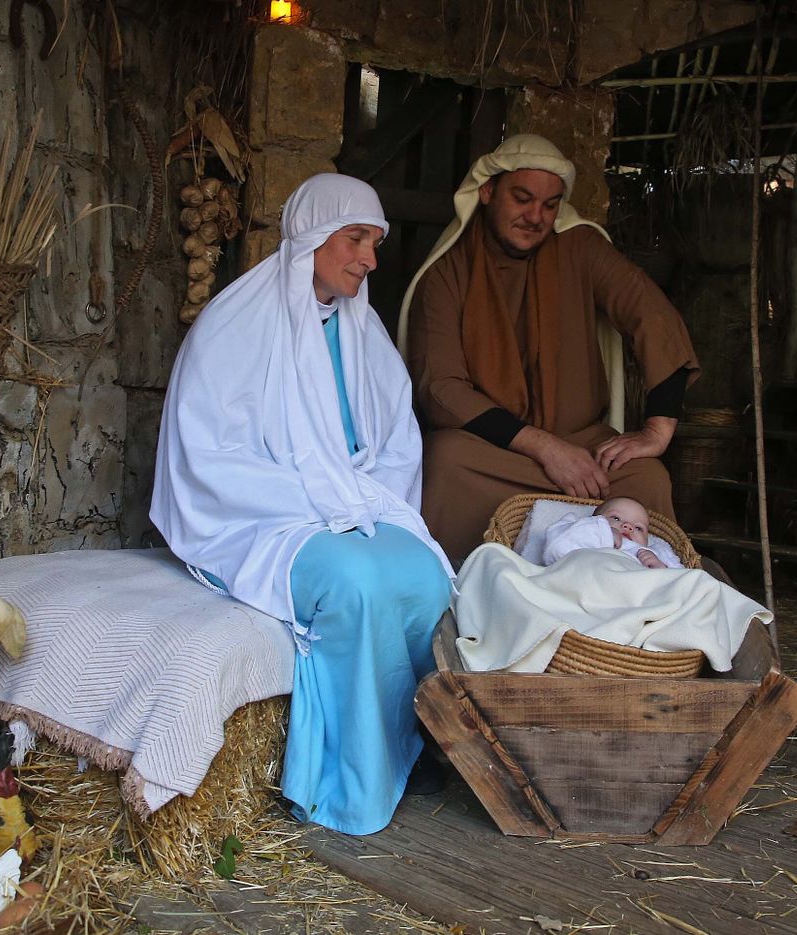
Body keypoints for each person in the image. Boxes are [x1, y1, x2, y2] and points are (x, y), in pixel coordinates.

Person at [151, 173, 454, 837]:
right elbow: (211, 453)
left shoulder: (364, 329)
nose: (370, 257)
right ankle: (352, 779)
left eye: (374, 242)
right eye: (356, 238)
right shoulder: (234, 324)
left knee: (428, 576)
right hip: (265, 514)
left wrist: (355, 494)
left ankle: (412, 745)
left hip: (351, 504)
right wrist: (318, 497)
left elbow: (395, 441)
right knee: (357, 581)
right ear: (313, 236)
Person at [399, 134, 701, 565]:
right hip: (494, 455)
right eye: (522, 199)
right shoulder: (449, 272)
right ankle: (464, 603)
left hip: (586, 450)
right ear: (487, 192)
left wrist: (658, 429)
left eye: (550, 204)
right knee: (446, 460)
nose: (535, 216)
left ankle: (634, 615)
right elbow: (442, 388)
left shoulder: (581, 248)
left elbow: (652, 314)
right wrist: (545, 448)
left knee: (646, 477)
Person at [539, 496, 669, 568]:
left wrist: (659, 568)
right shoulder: (587, 532)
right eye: (616, 518)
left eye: (639, 528)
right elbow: (556, 549)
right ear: (594, 520)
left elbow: (674, 582)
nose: (628, 526)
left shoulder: (654, 554)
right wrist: (604, 534)